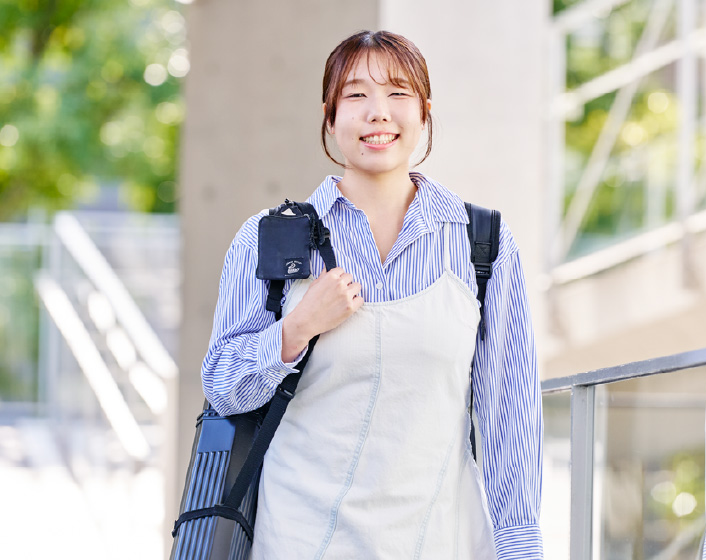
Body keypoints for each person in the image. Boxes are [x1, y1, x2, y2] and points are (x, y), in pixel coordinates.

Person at [201, 30, 543, 560]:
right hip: (298, 542)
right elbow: (223, 390)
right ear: (330, 116)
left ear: (425, 112)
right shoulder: (267, 238)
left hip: (437, 541)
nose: (378, 113)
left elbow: (509, 419)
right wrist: (296, 329)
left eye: (399, 93)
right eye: (356, 95)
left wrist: (520, 548)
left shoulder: (483, 245)